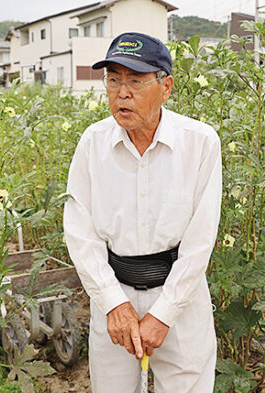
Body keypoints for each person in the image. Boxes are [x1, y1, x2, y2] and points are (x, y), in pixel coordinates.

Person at [63, 32, 222, 393]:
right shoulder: (92, 143)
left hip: (180, 299)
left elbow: (200, 242)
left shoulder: (200, 143)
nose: (122, 92)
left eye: (135, 81)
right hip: (113, 298)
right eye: (114, 79)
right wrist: (112, 303)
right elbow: (79, 230)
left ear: (165, 87)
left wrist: (163, 315)